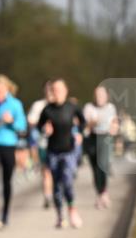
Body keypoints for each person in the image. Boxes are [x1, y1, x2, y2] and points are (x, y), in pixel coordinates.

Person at [37, 78, 87, 228]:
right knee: (56, 185)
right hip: (53, 152)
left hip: (69, 151)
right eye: (54, 90)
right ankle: (60, 215)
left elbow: (83, 121)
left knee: (67, 182)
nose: (56, 93)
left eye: (59, 90)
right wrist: (45, 129)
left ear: (65, 91)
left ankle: (72, 209)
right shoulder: (47, 110)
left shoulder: (72, 107)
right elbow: (39, 126)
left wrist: (79, 133)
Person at [0, 74, 27, 229]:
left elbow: (22, 126)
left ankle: (5, 213)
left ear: (7, 90)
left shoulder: (15, 104)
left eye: (1, 91)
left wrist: (11, 122)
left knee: (7, 181)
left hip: (8, 145)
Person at [83, 86, 118, 209]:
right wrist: (92, 122)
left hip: (105, 138)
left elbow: (114, 122)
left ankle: (104, 192)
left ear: (107, 96)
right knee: (94, 168)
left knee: (102, 166)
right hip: (92, 138)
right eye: (97, 95)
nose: (99, 97)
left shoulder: (111, 108)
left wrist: (114, 129)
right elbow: (85, 126)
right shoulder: (89, 107)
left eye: (102, 95)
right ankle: (100, 194)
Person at [28, 81, 55, 209]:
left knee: (58, 172)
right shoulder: (38, 105)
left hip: (62, 145)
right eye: (48, 89)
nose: (50, 91)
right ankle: (48, 196)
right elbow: (31, 121)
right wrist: (43, 124)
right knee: (47, 171)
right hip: (44, 144)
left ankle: (57, 193)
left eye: (52, 89)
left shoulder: (63, 105)